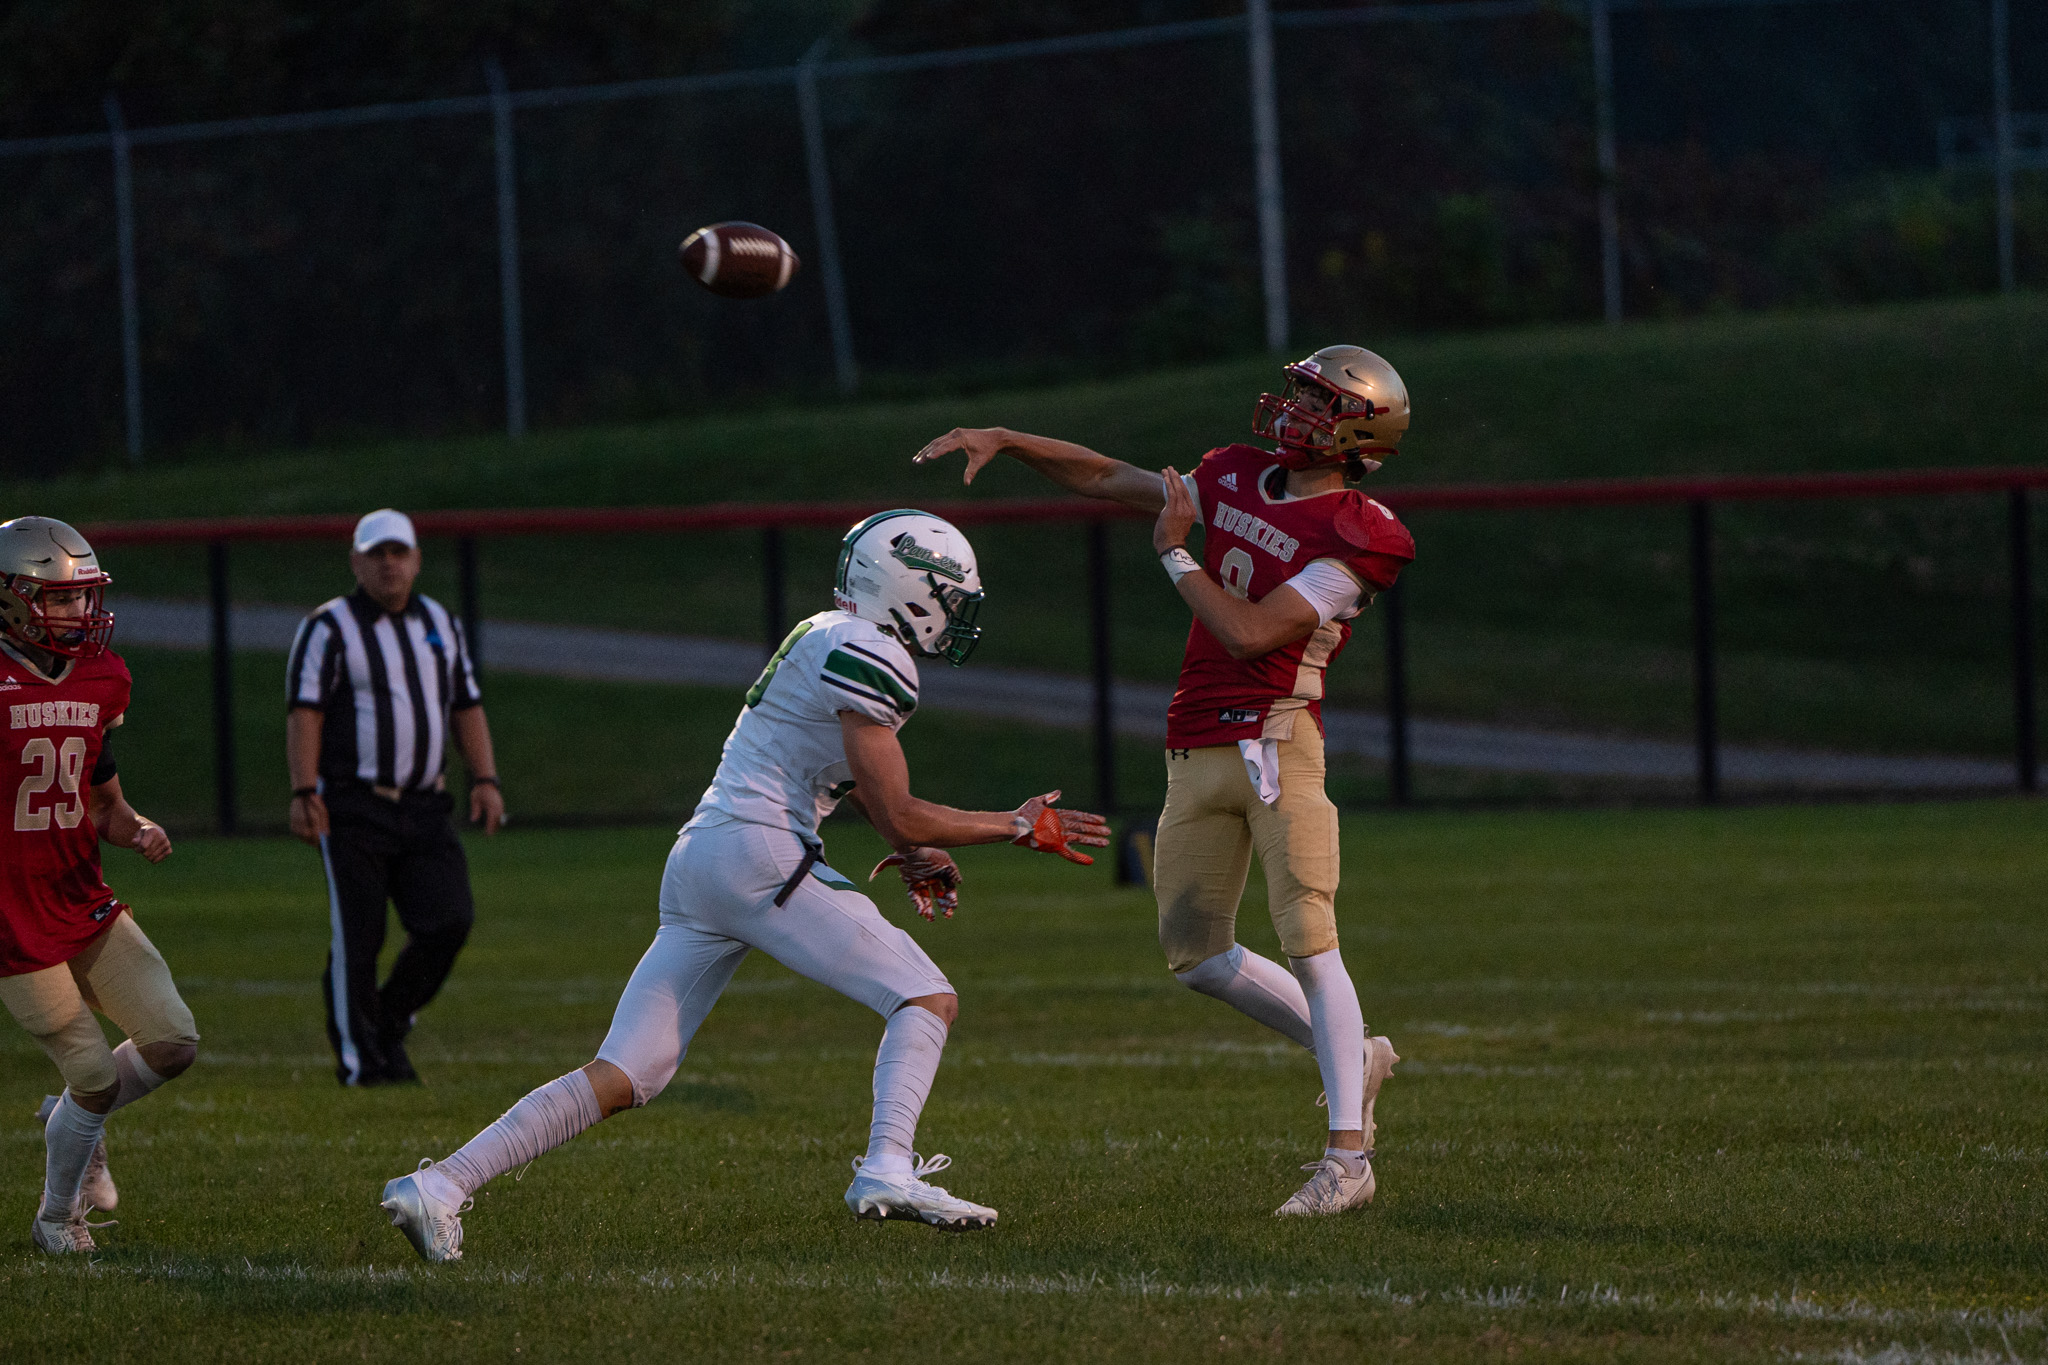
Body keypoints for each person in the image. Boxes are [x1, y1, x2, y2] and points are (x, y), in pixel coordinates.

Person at [378, 510, 1108, 1262]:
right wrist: (1017, 825)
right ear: (911, 589)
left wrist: (913, 849)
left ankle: (440, 1186)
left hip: (705, 853)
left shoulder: (828, 631)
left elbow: (856, 784)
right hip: (762, 849)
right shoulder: (870, 651)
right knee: (925, 996)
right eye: (950, 595)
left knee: (632, 1070)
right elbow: (895, 803)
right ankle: (888, 1164)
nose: (956, 614)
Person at [915, 345, 1418, 1216]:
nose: (1293, 409)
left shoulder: (1362, 531)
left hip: (1277, 741)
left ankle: (1348, 1156)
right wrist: (1010, 437)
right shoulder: (1230, 473)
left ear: (1356, 432)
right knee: (1197, 955)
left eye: (1316, 401)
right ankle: (1353, 1052)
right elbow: (1111, 476)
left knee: (1310, 935)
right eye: (1297, 392)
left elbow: (1255, 633)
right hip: (1194, 745)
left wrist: (1175, 556)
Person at [0, 516, 198, 1254]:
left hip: (80, 895)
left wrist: (138, 827)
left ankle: (71, 1118)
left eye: (84, 598)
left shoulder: (101, 676)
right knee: (92, 1075)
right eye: (59, 598)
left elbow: (103, 804)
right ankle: (56, 1219)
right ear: (14, 600)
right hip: (11, 913)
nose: (78, 614)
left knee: (174, 1039)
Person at [284, 508, 505, 1087]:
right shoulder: (329, 627)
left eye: (398, 552)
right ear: (356, 560)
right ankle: (363, 1062)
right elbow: (304, 711)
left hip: (425, 803)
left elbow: (466, 704)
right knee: (359, 936)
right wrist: (305, 790)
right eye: (376, 553)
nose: (388, 564)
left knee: (449, 920)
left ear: (416, 560)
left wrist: (485, 779)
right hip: (354, 804)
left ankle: (385, 1022)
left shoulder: (439, 622)